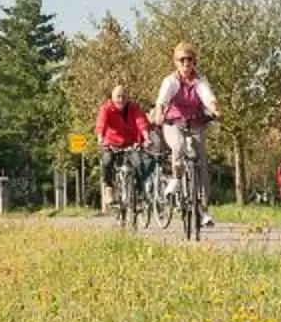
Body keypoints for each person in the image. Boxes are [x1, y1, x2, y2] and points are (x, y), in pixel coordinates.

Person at [153, 41, 220, 227]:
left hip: (195, 122)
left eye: (189, 60)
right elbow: (162, 100)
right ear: (175, 62)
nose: (186, 64)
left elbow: (207, 96)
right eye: (181, 60)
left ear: (194, 61)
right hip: (173, 123)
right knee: (179, 146)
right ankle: (176, 178)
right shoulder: (171, 81)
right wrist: (159, 112)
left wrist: (214, 109)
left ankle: (203, 210)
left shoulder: (199, 80)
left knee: (201, 162)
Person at [93, 82, 152, 212]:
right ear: (112, 97)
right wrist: (100, 138)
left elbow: (141, 122)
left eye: (124, 96)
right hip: (111, 143)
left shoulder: (133, 108)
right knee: (107, 161)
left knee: (139, 164)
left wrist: (146, 137)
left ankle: (139, 194)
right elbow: (101, 124)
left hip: (130, 143)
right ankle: (109, 188)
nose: (121, 99)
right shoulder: (106, 109)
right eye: (118, 96)